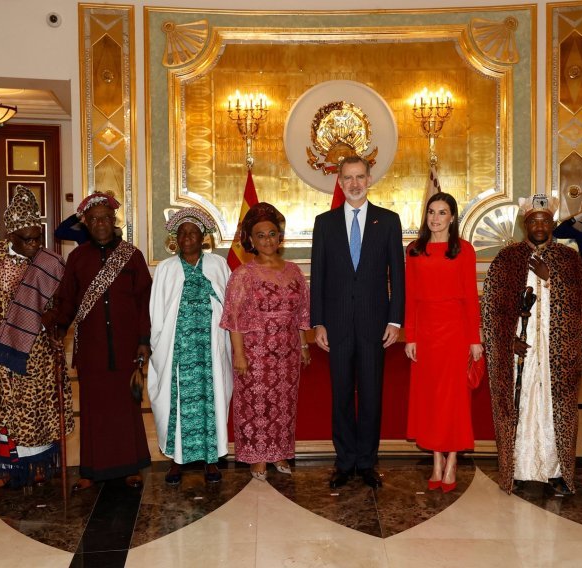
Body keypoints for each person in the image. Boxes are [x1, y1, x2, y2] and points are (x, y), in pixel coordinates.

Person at [311, 155, 405, 489]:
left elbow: (398, 275)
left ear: (369, 179)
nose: (354, 184)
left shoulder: (388, 221)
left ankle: (366, 462)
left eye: (360, 177)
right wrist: (318, 322)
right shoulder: (325, 223)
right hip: (335, 326)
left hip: (374, 325)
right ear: (339, 182)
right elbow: (318, 276)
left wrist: (395, 321)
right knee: (340, 396)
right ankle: (344, 462)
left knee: (370, 396)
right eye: (348, 178)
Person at [482, 194, 582, 495]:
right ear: (525, 224)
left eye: (544, 221)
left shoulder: (569, 259)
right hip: (522, 348)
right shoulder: (507, 258)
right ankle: (518, 469)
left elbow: (581, 302)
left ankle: (556, 471)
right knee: (522, 403)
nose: (539, 226)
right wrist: (508, 341)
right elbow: (492, 310)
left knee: (554, 407)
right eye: (533, 221)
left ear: (552, 224)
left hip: (556, 350)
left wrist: (550, 279)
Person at [0, 186, 74, 488]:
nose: (34, 245)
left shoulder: (51, 262)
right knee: (5, 409)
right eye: (27, 239)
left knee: (37, 409)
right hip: (1, 349)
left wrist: (52, 319)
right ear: (11, 236)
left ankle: (38, 466)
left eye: (37, 238)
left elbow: (64, 304)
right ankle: (6, 468)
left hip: (38, 350)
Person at [55, 191, 151, 490]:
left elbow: (144, 301)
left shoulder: (132, 255)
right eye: (94, 219)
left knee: (126, 408)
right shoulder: (77, 258)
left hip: (126, 346)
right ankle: (91, 470)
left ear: (113, 220)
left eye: (105, 218)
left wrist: (144, 339)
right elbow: (67, 300)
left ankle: (131, 467)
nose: (100, 224)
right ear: (86, 224)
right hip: (92, 348)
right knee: (93, 410)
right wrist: (57, 327)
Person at [220, 203, 310, 481]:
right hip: (255, 351)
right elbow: (233, 317)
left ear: (279, 236)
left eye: (272, 234)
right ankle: (257, 457)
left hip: (288, 351)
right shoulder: (242, 275)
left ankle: (279, 453)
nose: (268, 240)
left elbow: (301, 312)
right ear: (250, 239)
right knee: (256, 404)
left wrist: (303, 345)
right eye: (261, 235)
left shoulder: (294, 271)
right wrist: (239, 354)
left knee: (284, 404)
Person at [405, 192, 482, 493]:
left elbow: (471, 298)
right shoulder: (414, 250)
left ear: (452, 217)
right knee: (431, 400)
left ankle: (452, 461)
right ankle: (436, 460)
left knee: (453, 400)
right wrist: (410, 336)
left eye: (442, 212)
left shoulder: (464, 250)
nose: (435, 218)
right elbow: (410, 297)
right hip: (425, 333)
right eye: (431, 212)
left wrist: (474, 339)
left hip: (455, 333)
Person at [149, 207, 233, 485]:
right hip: (176, 351)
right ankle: (176, 461)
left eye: (193, 233)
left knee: (213, 399)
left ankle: (211, 460)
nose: (187, 238)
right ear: (175, 238)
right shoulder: (166, 268)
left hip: (211, 350)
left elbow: (230, 306)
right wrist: (157, 345)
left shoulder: (218, 265)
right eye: (182, 233)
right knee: (174, 404)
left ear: (203, 237)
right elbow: (156, 311)